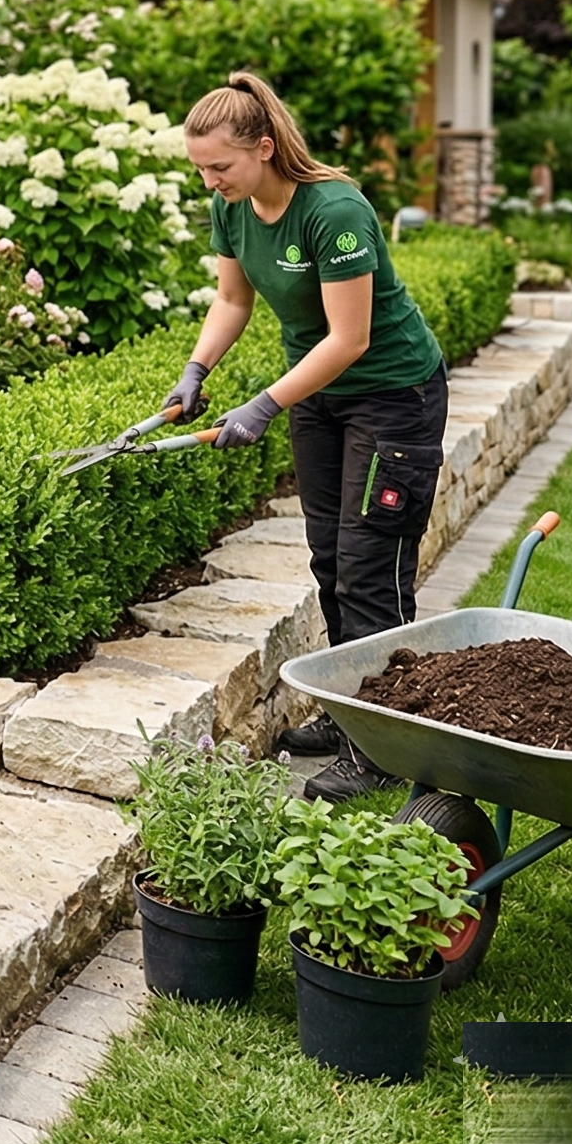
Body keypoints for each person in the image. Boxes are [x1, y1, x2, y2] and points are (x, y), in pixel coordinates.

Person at [166, 72, 447, 801]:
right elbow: (232, 298)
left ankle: (385, 745)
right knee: (329, 560)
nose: (209, 180)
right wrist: (197, 370)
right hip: (320, 399)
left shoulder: (335, 210)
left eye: (220, 166)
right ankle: (353, 710)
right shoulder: (231, 208)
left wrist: (261, 404)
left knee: (370, 568)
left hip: (392, 397)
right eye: (198, 167)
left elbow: (350, 338)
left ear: (264, 147)